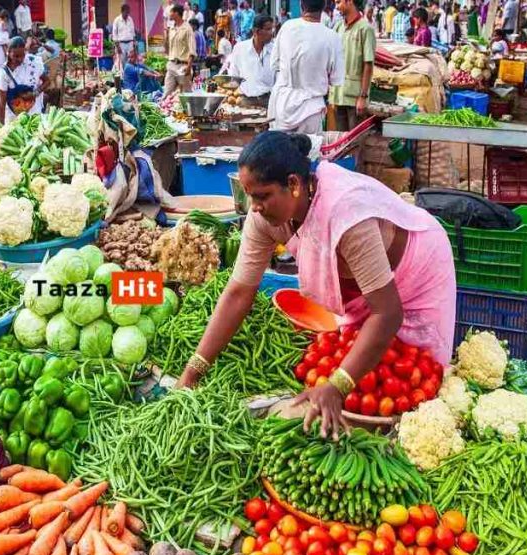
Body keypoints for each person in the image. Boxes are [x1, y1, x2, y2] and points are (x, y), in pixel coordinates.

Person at [176, 131, 456, 439]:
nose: (253, 206)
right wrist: (193, 372)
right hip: (362, 286)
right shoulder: (264, 218)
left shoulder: (345, 212)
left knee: (418, 380)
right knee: (366, 370)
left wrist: (337, 385)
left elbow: (388, 313)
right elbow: (239, 292)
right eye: (248, 195)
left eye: (262, 196)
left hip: (416, 269)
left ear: (294, 184)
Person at [267, 0, 344, 135]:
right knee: (308, 153)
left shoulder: (287, 27)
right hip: (311, 110)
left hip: (283, 107)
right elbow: (336, 79)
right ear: (324, 7)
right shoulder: (332, 37)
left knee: (279, 152)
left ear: (302, 6)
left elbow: (274, 64)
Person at [329, 0, 374, 131]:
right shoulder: (338, 27)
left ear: (349, 1)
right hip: (338, 94)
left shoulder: (365, 29)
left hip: (355, 96)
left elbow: (368, 64)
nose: (337, 7)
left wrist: (363, 96)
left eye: (339, 2)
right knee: (341, 140)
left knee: (354, 141)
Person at [0, 35, 46, 124]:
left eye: (22, 55)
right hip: (14, 118)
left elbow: (47, 81)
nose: (20, 59)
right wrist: (1, 127)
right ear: (8, 52)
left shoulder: (33, 63)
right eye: (16, 56)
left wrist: (35, 93)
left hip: (34, 115)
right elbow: (2, 103)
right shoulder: (4, 72)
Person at [223, 15, 275, 101]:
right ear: (257, 31)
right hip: (245, 100)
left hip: (269, 100)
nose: (272, 32)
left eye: (272, 29)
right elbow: (233, 75)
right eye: (268, 29)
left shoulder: (275, 50)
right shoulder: (240, 49)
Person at [163, 5, 196, 97]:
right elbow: (167, 48)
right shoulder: (171, 28)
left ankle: (190, 110)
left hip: (183, 66)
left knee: (186, 94)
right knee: (167, 94)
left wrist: (189, 67)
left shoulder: (187, 28)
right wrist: (165, 37)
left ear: (176, 13)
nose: (169, 14)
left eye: (171, 12)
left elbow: (192, 49)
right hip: (172, 64)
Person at [112, 4, 137, 69]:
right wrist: (118, 46)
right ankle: (122, 77)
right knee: (121, 62)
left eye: (128, 12)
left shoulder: (130, 19)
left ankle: (128, 76)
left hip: (130, 43)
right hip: (121, 44)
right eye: (126, 12)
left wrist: (134, 45)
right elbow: (114, 34)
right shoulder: (117, 20)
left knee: (130, 61)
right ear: (122, 11)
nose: (127, 14)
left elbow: (133, 32)